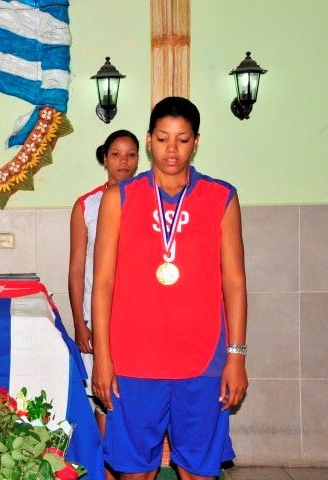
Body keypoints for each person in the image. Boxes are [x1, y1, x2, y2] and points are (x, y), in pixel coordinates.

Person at [91, 96, 248, 480]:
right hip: (133, 358)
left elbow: (235, 282)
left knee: (197, 470)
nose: (172, 150)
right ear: (149, 140)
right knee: (135, 471)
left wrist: (237, 356)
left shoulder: (221, 197)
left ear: (196, 141)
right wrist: (103, 358)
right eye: (163, 139)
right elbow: (103, 282)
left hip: (203, 359)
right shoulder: (119, 197)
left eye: (182, 139)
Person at [68, 130, 139, 478]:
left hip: (141, 321)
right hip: (99, 321)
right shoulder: (87, 205)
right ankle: (104, 473)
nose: (123, 162)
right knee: (105, 402)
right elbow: (77, 268)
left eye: (130, 155)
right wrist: (81, 324)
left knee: (139, 405)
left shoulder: (153, 200)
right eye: (116, 154)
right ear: (104, 158)